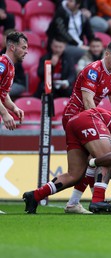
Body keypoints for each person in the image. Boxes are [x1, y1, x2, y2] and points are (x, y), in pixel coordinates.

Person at [22, 108, 111, 214]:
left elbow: (93, 162)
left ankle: (35, 195)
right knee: (107, 158)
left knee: (74, 175)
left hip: (74, 122)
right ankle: (98, 200)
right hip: (90, 118)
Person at [63, 39, 111, 214]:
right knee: (100, 158)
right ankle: (93, 199)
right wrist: (100, 126)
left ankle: (76, 201)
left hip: (87, 118)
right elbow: (87, 101)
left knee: (91, 162)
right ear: (106, 54)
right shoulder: (93, 70)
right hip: (74, 116)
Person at [0, 31, 27, 215]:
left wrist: (13, 107)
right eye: (23, 47)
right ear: (12, 46)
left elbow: (3, 93)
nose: (26, 51)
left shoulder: (10, 66)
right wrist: (5, 114)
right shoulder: (2, 64)